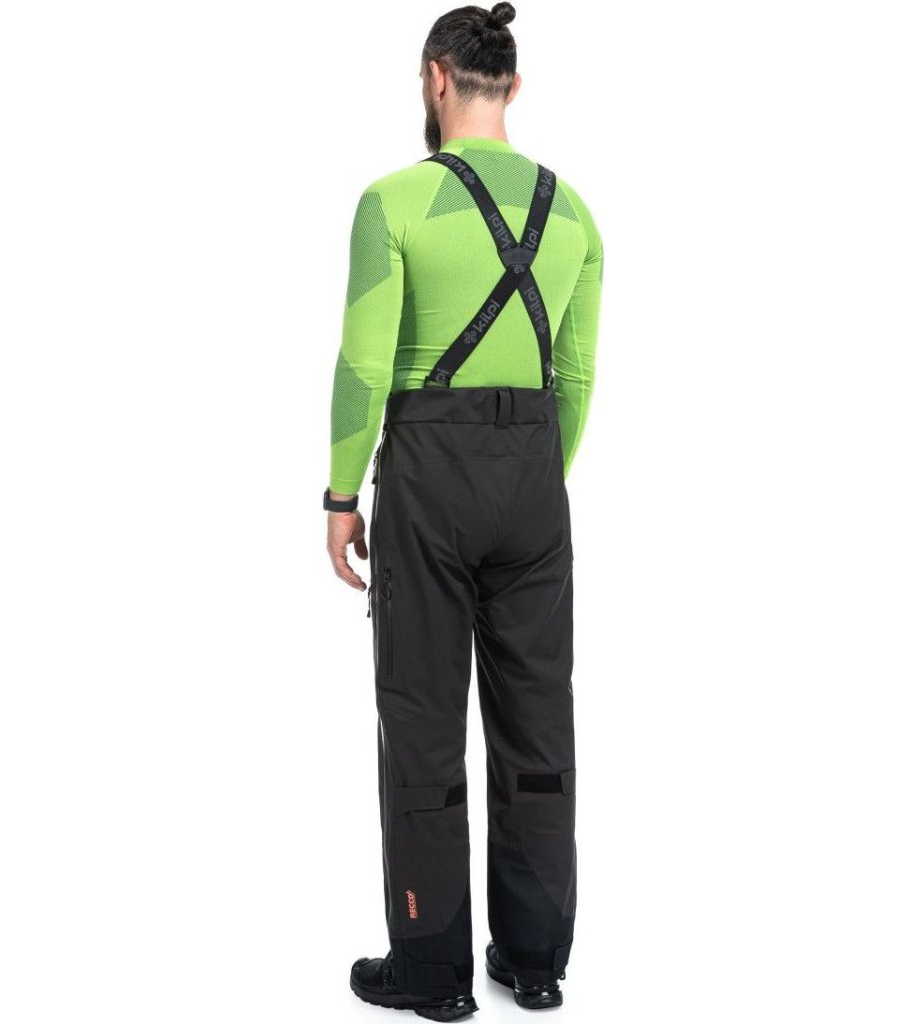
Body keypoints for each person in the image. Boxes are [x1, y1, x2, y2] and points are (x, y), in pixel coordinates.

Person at [323, 3, 603, 1018]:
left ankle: (434, 972)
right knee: (537, 728)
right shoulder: (574, 214)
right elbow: (575, 375)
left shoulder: (391, 201)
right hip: (533, 481)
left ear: (435, 77)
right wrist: (529, 473)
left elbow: (365, 368)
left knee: (423, 724)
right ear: (511, 86)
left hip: (428, 483)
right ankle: (534, 959)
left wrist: (341, 495)